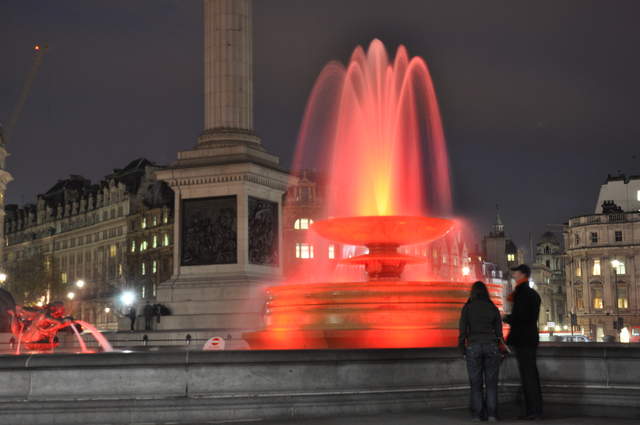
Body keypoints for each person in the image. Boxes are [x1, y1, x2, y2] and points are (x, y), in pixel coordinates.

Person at [458, 281, 504, 422]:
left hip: (474, 346)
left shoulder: (468, 307)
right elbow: (499, 332)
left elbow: (462, 330)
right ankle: (492, 415)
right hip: (491, 346)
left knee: (476, 383)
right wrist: (498, 346)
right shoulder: (492, 308)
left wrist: (462, 348)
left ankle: (477, 415)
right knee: (491, 383)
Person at [503, 264, 543, 420]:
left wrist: (506, 318)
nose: (514, 275)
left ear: (523, 275)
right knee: (531, 375)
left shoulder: (523, 294)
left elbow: (521, 317)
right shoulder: (532, 294)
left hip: (524, 338)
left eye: (516, 273)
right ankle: (534, 409)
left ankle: (533, 411)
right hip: (530, 337)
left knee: (528, 376)